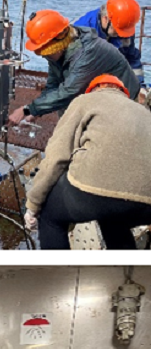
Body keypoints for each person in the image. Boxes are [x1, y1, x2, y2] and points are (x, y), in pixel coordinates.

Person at [23, 74, 151, 249]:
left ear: (94, 89)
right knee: (114, 219)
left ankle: (57, 274)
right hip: (147, 203)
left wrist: (33, 204)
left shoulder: (85, 101)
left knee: (50, 216)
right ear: (123, 92)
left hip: (95, 194)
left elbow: (57, 157)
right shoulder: (143, 111)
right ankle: (127, 274)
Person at [8, 10, 139, 126]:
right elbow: (53, 85)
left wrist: (27, 109)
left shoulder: (88, 52)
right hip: (97, 92)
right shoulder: (58, 50)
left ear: (57, 44)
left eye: (46, 53)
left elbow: (69, 91)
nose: (45, 56)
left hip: (123, 98)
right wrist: (37, 112)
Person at [74, 0, 143, 88]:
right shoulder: (81, 32)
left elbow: (132, 59)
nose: (120, 35)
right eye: (117, 30)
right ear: (105, 19)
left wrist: (139, 87)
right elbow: (76, 71)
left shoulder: (125, 26)